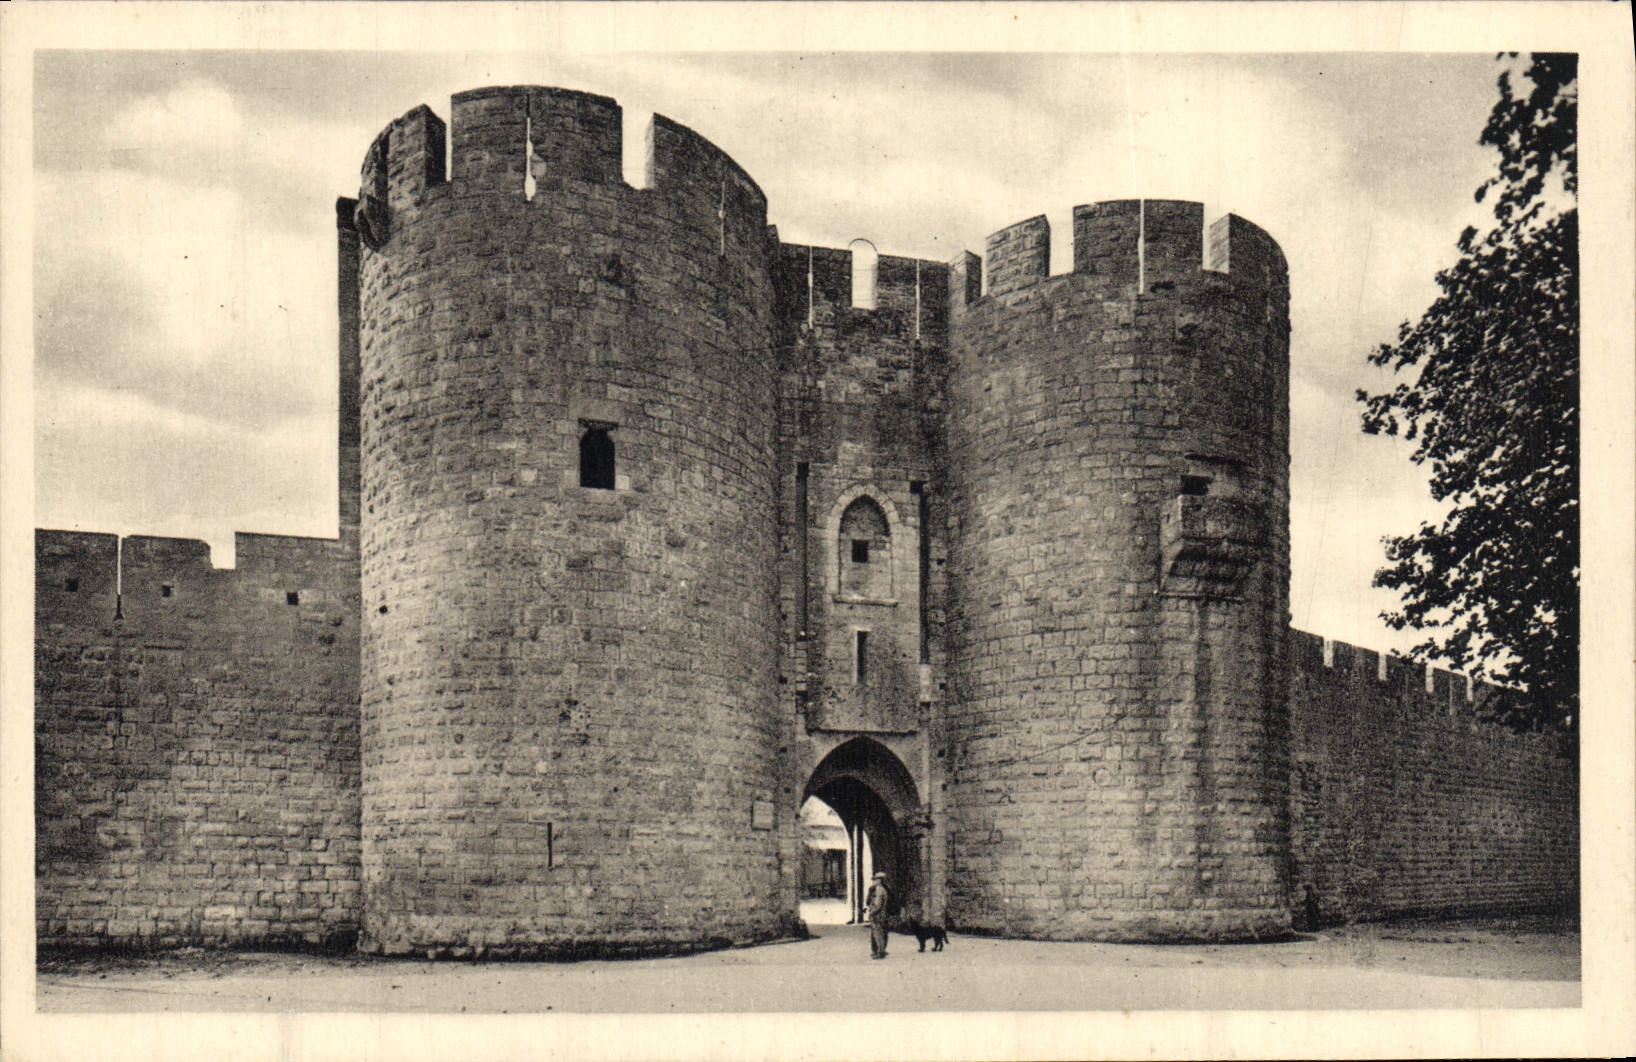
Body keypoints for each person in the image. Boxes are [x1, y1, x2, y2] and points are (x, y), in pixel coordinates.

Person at [865, 871, 890, 959]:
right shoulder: (883, 889)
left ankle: (880, 952)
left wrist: (872, 913)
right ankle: (881, 950)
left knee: (878, 933)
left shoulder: (879, 889)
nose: (874, 881)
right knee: (881, 933)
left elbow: (878, 904)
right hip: (882, 914)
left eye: (875, 880)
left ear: (879, 880)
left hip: (878, 915)